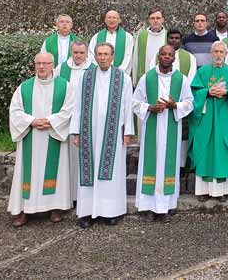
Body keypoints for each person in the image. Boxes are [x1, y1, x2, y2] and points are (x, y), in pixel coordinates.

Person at [70, 43, 135, 228]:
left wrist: (128, 131)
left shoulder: (123, 78)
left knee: (112, 173)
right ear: (95, 56)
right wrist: (76, 131)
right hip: (89, 132)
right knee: (88, 172)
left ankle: (110, 212)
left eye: (106, 54)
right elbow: (78, 105)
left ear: (112, 56)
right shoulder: (86, 77)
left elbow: (128, 106)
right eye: (99, 54)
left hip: (113, 133)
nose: (103, 57)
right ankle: (86, 212)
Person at [8, 53, 75, 227]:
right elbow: (15, 111)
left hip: (53, 134)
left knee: (57, 170)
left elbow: (69, 109)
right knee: (27, 171)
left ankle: (56, 207)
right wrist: (31, 121)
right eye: (38, 63)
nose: (42, 66)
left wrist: (51, 121)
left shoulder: (64, 86)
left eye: (45, 63)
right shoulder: (24, 87)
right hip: (31, 135)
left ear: (53, 65)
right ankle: (25, 209)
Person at [132, 45, 194, 222]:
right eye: (164, 54)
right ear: (158, 56)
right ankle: (148, 207)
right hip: (151, 128)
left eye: (170, 55)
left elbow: (189, 103)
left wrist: (175, 105)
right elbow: (135, 102)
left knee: (168, 165)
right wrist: (150, 108)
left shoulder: (181, 79)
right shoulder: (147, 78)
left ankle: (165, 207)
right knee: (151, 164)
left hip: (171, 128)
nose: (167, 57)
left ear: (174, 58)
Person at [189, 42, 228, 202]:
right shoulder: (202, 71)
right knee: (204, 148)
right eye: (216, 52)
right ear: (211, 53)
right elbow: (193, 91)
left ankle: (222, 191)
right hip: (205, 116)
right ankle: (203, 190)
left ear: (226, 54)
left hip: (225, 115)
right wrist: (207, 92)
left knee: (224, 148)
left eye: (221, 52)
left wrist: (227, 92)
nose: (218, 55)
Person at [54, 40, 94, 202]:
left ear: (87, 53)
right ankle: (68, 194)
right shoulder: (61, 68)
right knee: (67, 156)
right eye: (75, 52)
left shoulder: (93, 69)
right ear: (71, 52)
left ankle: (83, 194)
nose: (78, 56)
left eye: (81, 53)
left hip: (87, 118)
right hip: (66, 117)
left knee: (83, 155)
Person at [89, 10, 134, 75]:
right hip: (100, 73)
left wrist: (119, 72)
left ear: (119, 20)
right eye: (109, 18)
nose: (111, 20)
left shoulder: (128, 37)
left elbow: (128, 56)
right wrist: (99, 70)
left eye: (114, 18)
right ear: (105, 20)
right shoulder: (96, 37)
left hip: (120, 74)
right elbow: (91, 54)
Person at [132, 8, 167, 85]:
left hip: (164, 78)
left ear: (163, 20)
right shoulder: (142, 36)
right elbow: (135, 57)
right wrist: (134, 80)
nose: (155, 20)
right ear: (149, 20)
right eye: (152, 18)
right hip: (145, 76)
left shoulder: (167, 36)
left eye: (158, 18)